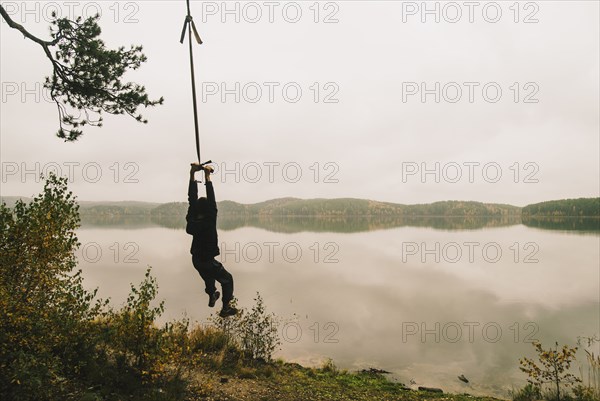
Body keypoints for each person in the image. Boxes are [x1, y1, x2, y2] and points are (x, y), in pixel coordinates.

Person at [186, 162, 238, 317]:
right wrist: (207, 176)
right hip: (207, 260)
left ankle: (212, 294)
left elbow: (191, 199)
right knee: (227, 279)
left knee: (208, 276)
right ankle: (226, 307)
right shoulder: (210, 220)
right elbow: (210, 200)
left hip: (196, 260)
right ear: (209, 209)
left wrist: (192, 173)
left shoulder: (192, 219)